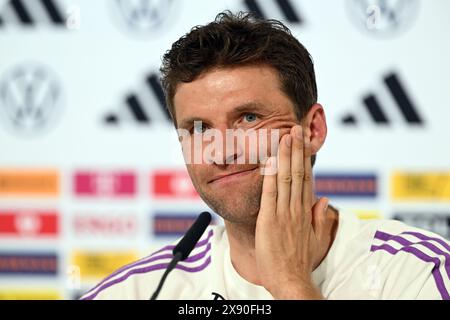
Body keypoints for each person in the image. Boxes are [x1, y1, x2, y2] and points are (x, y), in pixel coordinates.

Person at [81, 11, 450, 300]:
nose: (222, 151)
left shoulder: (420, 274)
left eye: (249, 118)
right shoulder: (141, 291)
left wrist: (291, 284)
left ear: (313, 130)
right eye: (198, 128)